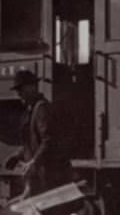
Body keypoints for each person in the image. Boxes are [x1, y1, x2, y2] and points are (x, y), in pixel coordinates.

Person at [6, 70, 72, 198]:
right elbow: (31, 141)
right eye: (17, 90)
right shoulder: (31, 110)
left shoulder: (42, 109)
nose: (18, 94)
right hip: (40, 173)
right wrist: (18, 156)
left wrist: (33, 162)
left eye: (21, 89)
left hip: (48, 173)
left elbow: (48, 140)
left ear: (32, 87)